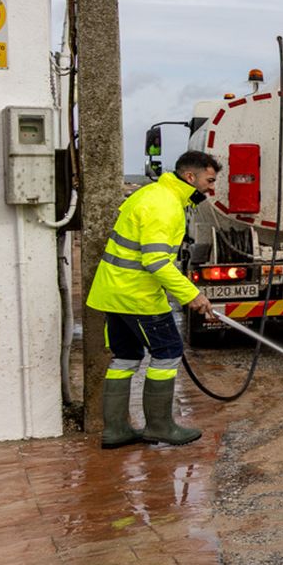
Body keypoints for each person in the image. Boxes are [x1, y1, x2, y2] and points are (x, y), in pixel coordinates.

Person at [86, 149, 221, 448]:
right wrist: (192, 294)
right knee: (168, 352)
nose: (211, 188)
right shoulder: (165, 205)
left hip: (115, 292)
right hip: (137, 296)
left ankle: (116, 430)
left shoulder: (151, 194)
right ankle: (160, 426)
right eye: (209, 181)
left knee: (126, 357)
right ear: (191, 177)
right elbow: (156, 261)